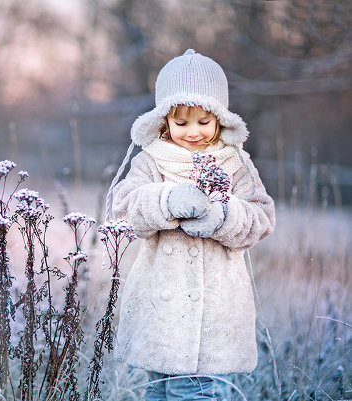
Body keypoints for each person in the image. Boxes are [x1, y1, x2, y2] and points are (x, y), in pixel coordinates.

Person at [105, 49, 276, 400]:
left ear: (220, 118)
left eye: (204, 121)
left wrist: (222, 217)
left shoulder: (235, 163)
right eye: (181, 123)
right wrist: (167, 200)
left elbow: (261, 218)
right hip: (160, 309)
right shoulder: (151, 160)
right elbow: (122, 209)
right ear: (164, 119)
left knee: (194, 392)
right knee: (158, 391)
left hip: (213, 314)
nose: (193, 132)